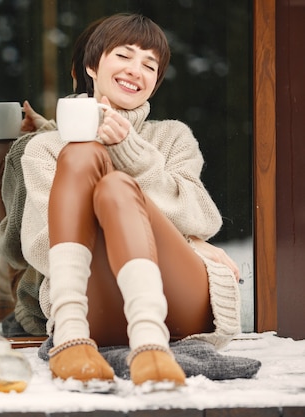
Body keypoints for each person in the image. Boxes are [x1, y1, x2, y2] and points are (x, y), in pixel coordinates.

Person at [16, 13, 242, 388]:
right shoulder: (44, 150)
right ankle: (73, 337)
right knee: (83, 157)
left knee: (118, 186)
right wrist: (186, 239)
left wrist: (130, 153)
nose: (136, 70)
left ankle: (149, 342)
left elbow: (203, 216)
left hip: (180, 305)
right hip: (95, 304)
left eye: (150, 64)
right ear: (92, 64)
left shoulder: (171, 137)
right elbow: (41, 249)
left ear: (155, 82)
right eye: (124, 55)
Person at [0, 19, 103, 330]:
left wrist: (36, 141)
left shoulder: (104, 132)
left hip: (51, 285)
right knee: (7, 153)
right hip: (85, 278)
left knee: (1, 153)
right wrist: (46, 130)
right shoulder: (143, 133)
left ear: (76, 72)